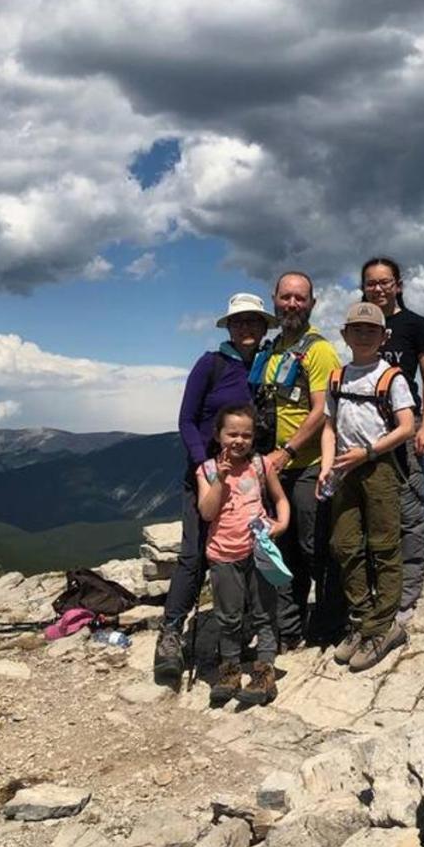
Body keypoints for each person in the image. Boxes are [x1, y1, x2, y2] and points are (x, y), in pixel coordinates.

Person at [154, 293, 277, 688]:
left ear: (263, 327)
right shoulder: (211, 364)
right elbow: (187, 419)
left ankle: (244, 632)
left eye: (254, 322)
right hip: (206, 473)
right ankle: (171, 633)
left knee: (247, 552)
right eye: (239, 321)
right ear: (229, 326)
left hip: (247, 476)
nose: (246, 328)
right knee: (194, 554)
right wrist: (199, 464)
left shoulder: (268, 366)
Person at [318, 301, 417, 671]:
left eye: (371, 330)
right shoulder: (336, 377)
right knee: (343, 545)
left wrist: (368, 452)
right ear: (345, 335)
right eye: (356, 329)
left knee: (383, 546)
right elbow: (329, 426)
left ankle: (383, 627)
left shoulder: (391, 377)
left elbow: (407, 427)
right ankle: (361, 620)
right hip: (345, 466)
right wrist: (328, 467)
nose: (363, 335)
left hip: (378, 468)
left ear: (383, 336)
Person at [249, 271, 345, 648]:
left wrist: (286, 451)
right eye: (286, 297)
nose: (292, 304)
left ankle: (329, 622)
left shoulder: (318, 350)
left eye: (300, 298)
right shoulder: (270, 350)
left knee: (313, 547)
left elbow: (323, 409)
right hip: (271, 468)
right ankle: (288, 629)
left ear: (312, 303)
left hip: (303, 465)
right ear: (274, 298)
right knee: (280, 548)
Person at [360, 256, 424, 624]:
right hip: (370, 427)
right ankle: (383, 585)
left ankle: (408, 593)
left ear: (398, 285)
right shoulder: (364, 323)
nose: (378, 288)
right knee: (376, 508)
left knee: (409, 505)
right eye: (372, 283)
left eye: (384, 282)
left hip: (406, 425)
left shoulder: (414, 324)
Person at [198, 404, 290, 705]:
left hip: (258, 550)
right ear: (218, 435)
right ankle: (230, 670)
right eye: (232, 434)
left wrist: (282, 523)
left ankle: (264, 673)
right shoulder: (208, 470)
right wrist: (220, 481)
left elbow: (279, 498)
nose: (239, 440)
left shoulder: (261, 465)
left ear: (253, 438)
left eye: (246, 435)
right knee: (228, 617)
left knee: (264, 613)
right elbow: (207, 512)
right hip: (223, 554)